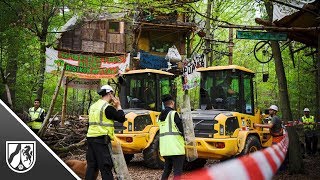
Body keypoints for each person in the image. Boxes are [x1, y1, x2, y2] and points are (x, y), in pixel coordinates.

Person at [85, 85, 126, 180]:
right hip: (101, 141)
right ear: (110, 94)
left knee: (92, 166)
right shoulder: (107, 107)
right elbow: (121, 118)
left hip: (90, 139)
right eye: (113, 94)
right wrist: (118, 106)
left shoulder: (93, 106)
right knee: (105, 167)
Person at [158, 94, 185, 180]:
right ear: (172, 103)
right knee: (177, 172)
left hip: (165, 148)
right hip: (176, 148)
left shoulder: (160, 116)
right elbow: (181, 130)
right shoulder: (173, 114)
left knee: (167, 170)